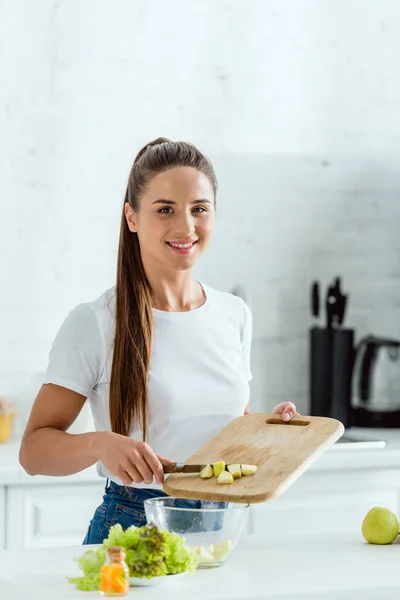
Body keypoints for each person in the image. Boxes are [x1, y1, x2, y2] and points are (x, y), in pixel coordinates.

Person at [19, 138, 297, 544]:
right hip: (133, 523)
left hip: (220, 528)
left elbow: (221, 434)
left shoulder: (234, 314)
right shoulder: (95, 323)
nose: (186, 227)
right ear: (131, 217)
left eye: (199, 209)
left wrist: (267, 430)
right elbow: (32, 453)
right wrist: (100, 444)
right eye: (165, 209)